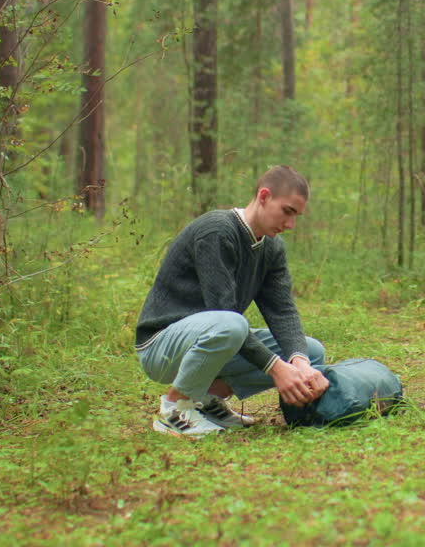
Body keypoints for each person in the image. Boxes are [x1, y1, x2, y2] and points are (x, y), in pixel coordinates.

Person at [135, 165, 329, 437]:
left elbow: (282, 311)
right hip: (161, 346)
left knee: (310, 351)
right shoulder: (217, 231)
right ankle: (174, 409)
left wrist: (299, 363)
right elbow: (222, 311)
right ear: (264, 196)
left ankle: (205, 402)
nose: (290, 225)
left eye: (296, 216)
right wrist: (276, 369)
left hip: (213, 337)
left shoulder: (271, 248)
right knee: (233, 324)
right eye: (287, 211)